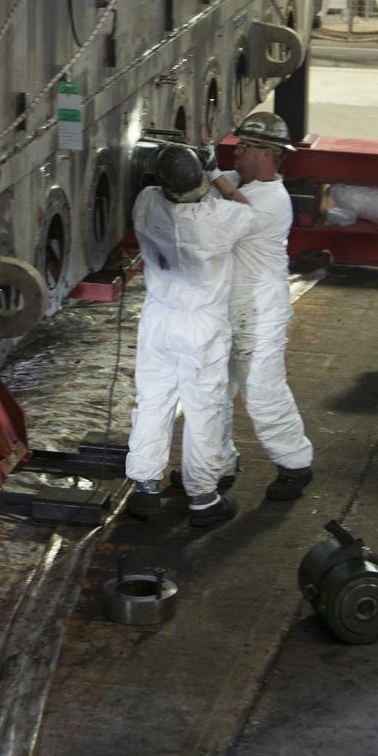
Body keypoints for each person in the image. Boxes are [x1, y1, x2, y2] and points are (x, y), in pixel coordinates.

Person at [126, 142, 257, 529]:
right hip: (201, 326)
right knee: (204, 408)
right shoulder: (219, 216)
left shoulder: (147, 202)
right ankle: (202, 496)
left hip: (158, 318)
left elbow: (156, 188)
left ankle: (145, 487)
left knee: (152, 401)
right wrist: (216, 172)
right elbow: (251, 214)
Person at [210, 112, 314, 501]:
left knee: (262, 390)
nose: (235, 153)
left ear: (267, 154)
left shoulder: (271, 200)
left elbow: (232, 212)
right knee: (216, 392)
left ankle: (295, 463)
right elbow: (224, 187)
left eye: (244, 147)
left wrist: (207, 173)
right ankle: (217, 465)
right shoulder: (240, 183)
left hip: (260, 314)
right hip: (229, 309)